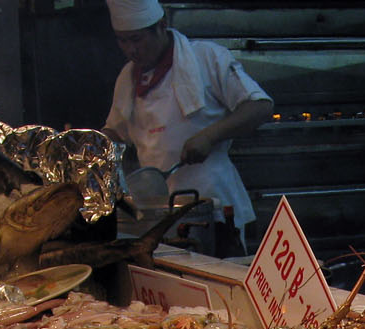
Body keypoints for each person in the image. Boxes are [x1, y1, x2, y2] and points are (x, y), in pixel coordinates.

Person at [100, 0, 274, 257]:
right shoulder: (127, 77)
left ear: (161, 25)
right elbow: (115, 133)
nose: (130, 50)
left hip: (215, 212)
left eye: (136, 39)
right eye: (122, 41)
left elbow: (260, 106)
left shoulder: (207, 58)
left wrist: (209, 135)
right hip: (157, 217)